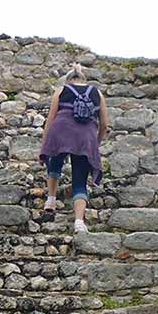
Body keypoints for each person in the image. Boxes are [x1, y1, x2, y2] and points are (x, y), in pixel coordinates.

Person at [39, 64, 109, 233]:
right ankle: (79, 221)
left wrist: (44, 144)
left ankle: (51, 199)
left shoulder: (61, 91)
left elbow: (51, 119)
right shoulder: (97, 93)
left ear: (69, 80)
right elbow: (105, 125)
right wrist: (95, 143)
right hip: (86, 137)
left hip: (60, 131)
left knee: (55, 161)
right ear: (84, 80)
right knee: (80, 181)